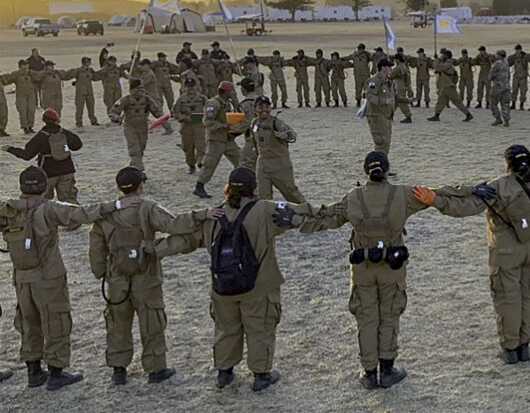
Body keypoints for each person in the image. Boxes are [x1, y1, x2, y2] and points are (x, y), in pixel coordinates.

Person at [417, 145, 530, 363]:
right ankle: (525, 346)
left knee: (507, 298)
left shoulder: (498, 187)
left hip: (506, 251)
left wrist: (435, 199)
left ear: (507, 164)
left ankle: (510, 348)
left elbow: (463, 208)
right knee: (529, 295)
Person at [299, 152, 443, 389]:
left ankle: (368, 373)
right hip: (392, 267)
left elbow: (327, 217)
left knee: (366, 319)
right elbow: (438, 196)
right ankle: (387, 370)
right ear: (387, 170)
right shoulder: (402, 194)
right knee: (389, 316)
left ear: (365, 172)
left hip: (362, 268)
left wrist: (294, 217)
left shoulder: (353, 197)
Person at [167, 167, 313, 391]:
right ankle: (261, 375)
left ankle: (224, 373)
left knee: (226, 329)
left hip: (222, 287)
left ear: (228, 189)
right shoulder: (264, 209)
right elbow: (302, 215)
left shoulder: (213, 215)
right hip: (258, 287)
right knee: (260, 329)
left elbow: (185, 240)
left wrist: (150, 249)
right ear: (254, 188)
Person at [0, 166, 142, 390]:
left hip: (21, 278)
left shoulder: (8, 210)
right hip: (49, 276)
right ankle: (56, 372)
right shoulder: (50, 209)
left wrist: (19, 207)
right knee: (56, 320)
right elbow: (83, 214)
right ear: (45, 188)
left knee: (28, 321)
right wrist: (116, 205)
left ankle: (33, 371)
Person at [88, 167, 208, 385]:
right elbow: (173, 225)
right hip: (147, 276)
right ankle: (155, 369)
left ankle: (118, 369)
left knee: (117, 323)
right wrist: (200, 216)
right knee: (152, 322)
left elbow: (96, 249)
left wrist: (102, 272)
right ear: (141, 186)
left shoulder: (106, 213)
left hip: (117, 278)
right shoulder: (148, 208)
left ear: (118, 187)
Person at [2, 108, 82, 204]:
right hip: (67, 171)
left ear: (44, 120)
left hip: (48, 173)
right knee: (69, 201)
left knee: (44, 202)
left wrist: (10, 149)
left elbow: (27, 155)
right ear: (57, 120)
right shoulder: (65, 133)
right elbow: (78, 145)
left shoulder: (41, 136)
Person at [194, 81, 242, 198]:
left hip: (227, 138)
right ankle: (199, 186)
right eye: (231, 91)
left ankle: (237, 185)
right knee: (210, 163)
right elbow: (207, 121)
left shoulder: (226, 103)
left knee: (241, 160)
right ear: (225, 92)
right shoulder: (214, 103)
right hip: (216, 139)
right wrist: (222, 126)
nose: (233, 93)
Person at [252, 95, 305, 202]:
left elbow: (292, 134)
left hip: (279, 166)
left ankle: (308, 211)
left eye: (267, 107)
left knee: (292, 194)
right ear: (255, 109)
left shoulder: (276, 122)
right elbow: (255, 142)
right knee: (263, 198)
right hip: (263, 166)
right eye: (260, 107)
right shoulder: (254, 123)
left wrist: (285, 135)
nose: (264, 110)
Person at [109, 79, 163, 172]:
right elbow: (113, 112)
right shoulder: (125, 100)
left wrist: (164, 117)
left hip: (143, 127)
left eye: (141, 88)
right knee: (134, 148)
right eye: (138, 88)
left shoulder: (147, 99)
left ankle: (134, 165)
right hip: (130, 127)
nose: (140, 91)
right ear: (132, 90)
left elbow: (157, 112)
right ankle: (139, 168)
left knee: (141, 148)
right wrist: (117, 118)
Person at [171, 77, 208, 174]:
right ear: (185, 88)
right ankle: (191, 165)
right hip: (186, 128)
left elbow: (209, 110)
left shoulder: (202, 99)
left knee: (201, 147)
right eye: (189, 87)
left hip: (200, 127)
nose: (191, 90)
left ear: (196, 87)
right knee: (188, 149)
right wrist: (183, 117)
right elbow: (175, 113)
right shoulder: (181, 100)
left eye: (193, 87)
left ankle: (201, 163)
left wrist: (204, 117)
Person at [427, 49, 473, 122]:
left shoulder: (448, 63)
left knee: (456, 101)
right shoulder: (446, 63)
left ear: (447, 56)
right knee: (441, 101)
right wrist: (438, 60)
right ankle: (436, 115)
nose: (442, 56)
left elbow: (438, 67)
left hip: (449, 86)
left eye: (444, 55)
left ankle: (468, 114)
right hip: (445, 86)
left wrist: (437, 59)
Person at [365, 59, 396, 155]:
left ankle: (383, 161)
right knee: (381, 141)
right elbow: (369, 95)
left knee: (386, 141)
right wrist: (384, 101)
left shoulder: (388, 81)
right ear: (382, 68)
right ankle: (379, 162)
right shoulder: (374, 81)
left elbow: (393, 97)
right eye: (389, 67)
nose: (390, 69)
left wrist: (408, 100)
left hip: (386, 115)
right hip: (376, 115)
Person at [10, 60, 39, 134]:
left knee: (31, 111)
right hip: (21, 96)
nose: (26, 66)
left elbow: (39, 76)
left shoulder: (31, 73)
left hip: (30, 95)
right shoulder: (17, 74)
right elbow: (7, 78)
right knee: (23, 112)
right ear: (21, 66)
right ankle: (25, 127)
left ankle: (30, 126)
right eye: (25, 65)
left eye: (27, 65)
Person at [489, 50, 512, 127]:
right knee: (505, 104)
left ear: (499, 55)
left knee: (493, 103)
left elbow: (491, 75)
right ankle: (506, 120)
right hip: (506, 86)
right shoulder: (506, 62)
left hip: (498, 86)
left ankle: (498, 118)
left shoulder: (497, 63)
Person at [390, 54, 414, 123]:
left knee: (402, 102)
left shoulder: (398, 68)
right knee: (395, 102)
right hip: (403, 85)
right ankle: (389, 115)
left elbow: (391, 75)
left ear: (398, 60)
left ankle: (408, 116)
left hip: (399, 86)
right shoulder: (404, 66)